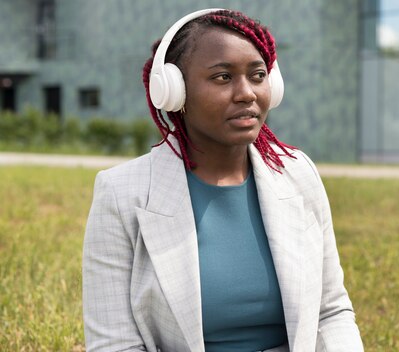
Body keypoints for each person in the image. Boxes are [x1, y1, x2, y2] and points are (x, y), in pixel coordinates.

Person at [82, 8, 364, 352]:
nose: (246, 93)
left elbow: (331, 311)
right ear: (174, 92)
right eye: (222, 77)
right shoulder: (122, 194)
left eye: (258, 75)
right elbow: (114, 344)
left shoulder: (298, 173)